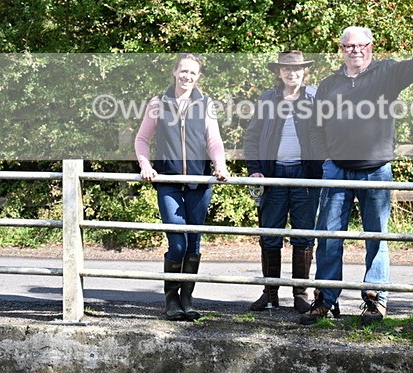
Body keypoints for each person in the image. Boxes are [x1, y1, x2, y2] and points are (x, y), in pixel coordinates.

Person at [301, 16, 413, 325]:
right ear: (341, 49)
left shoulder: (387, 73)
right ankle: (325, 298)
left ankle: (375, 300)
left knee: (376, 237)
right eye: (349, 45)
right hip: (336, 171)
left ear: (371, 47)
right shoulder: (329, 85)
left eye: (361, 45)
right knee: (329, 237)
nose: (355, 50)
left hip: (376, 170)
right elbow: (316, 129)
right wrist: (326, 161)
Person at [135, 53, 230, 322]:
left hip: (200, 183)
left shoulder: (205, 103)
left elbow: (214, 141)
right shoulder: (158, 103)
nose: (187, 76)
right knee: (177, 244)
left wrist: (220, 166)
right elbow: (142, 139)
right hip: (169, 182)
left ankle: (187, 298)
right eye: (184, 71)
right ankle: (171, 298)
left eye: (193, 73)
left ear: (198, 77)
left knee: (194, 245)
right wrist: (145, 166)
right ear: (175, 72)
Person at [243, 51, 322, 313]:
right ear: (279, 72)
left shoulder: (314, 98)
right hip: (273, 174)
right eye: (287, 69)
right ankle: (270, 292)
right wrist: (255, 170)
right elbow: (252, 137)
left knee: (303, 235)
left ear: (304, 72)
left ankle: (300, 293)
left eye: (297, 69)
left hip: (305, 175)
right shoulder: (268, 98)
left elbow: (326, 133)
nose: (292, 73)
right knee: (270, 234)